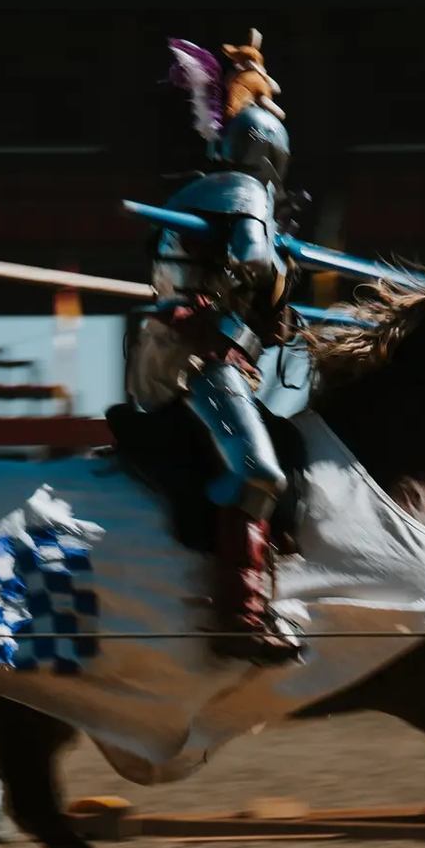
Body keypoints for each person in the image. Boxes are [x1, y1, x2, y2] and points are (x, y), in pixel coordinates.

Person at [124, 32, 302, 665]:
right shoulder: (243, 195)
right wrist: (279, 270)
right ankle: (241, 615)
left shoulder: (210, 199)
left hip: (185, 360)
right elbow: (252, 265)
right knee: (258, 472)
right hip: (196, 365)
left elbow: (263, 316)